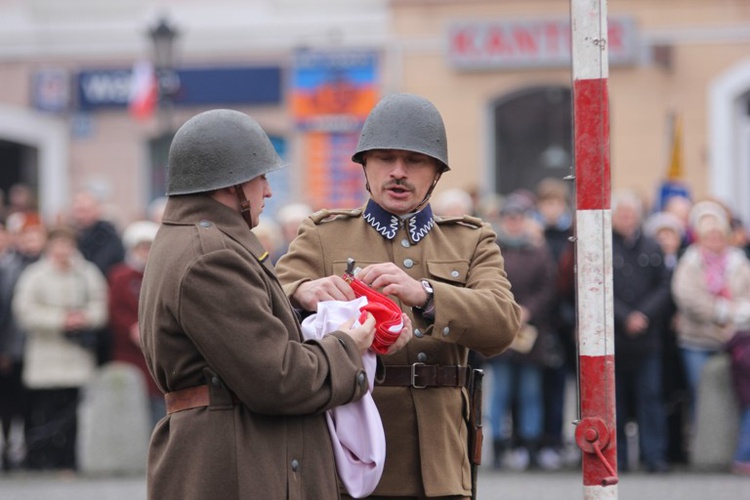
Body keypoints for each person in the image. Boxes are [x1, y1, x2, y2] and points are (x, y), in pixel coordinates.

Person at [138, 109, 410, 500]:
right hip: (235, 464)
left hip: (228, 453)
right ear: (230, 185)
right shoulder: (211, 256)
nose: (267, 190)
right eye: (260, 177)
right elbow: (278, 379)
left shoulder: (196, 242)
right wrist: (349, 344)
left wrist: (298, 307)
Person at [276, 93, 521, 499]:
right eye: (385, 159)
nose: (398, 172)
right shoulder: (323, 235)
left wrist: (427, 295)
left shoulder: (471, 239)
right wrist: (302, 292)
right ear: (365, 167)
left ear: (436, 172)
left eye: (415, 161)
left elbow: (502, 325)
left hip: (439, 461)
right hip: (351, 455)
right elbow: (270, 309)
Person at [12, 225, 108, 471]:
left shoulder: (86, 272)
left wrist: (83, 318)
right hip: (46, 355)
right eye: (58, 244)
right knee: (45, 410)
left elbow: (100, 304)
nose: (62, 250)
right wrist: (59, 320)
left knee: (73, 412)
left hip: (77, 355)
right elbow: (24, 310)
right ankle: (44, 460)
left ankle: (69, 461)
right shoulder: (35, 275)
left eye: (67, 244)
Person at [486, 194, 558, 471]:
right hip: (502, 328)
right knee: (501, 391)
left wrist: (527, 311)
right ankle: (498, 447)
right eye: (510, 218)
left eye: (518, 218)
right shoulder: (493, 249)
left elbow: (547, 288)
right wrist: (508, 310)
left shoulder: (537, 250)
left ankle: (530, 446)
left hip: (530, 332)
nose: (514, 223)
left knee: (530, 392)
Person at [671, 201, 750, 428]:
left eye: (718, 234)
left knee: (736, 393)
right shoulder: (690, 262)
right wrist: (722, 310)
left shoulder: (739, 262)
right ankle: (702, 445)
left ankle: (730, 447)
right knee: (700, 392)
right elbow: (688, 298)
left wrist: (734, 311)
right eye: (709, 235)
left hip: (734, 339)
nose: (714, 239)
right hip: (696, 340)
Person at [610, 190, 673, 473]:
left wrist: (643, 315)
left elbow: (663, 286)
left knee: (650, 399)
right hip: (615, 338)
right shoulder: (603, 244)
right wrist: (625, 317)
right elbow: (596, 285)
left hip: (647, 339)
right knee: (616, 402)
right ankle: (618, 458)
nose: (626, 219)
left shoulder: (652, 245)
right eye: (621, 214)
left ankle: (654, 456)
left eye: (630, 213)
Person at [0, 213, 47, 470]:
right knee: (9, 402)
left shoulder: (45, 266)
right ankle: (8, 450)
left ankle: (32, 451)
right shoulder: (8, 269)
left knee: (32, 403)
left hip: (39, 346)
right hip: (13, 348)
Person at [107, 220, 164, 428]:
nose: (145, 252)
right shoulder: (120, 276)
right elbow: (115, 308)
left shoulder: (161, 274)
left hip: (156, 348)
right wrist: (131, 328)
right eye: (141, 247)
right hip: (128, 350)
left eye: (149, 246)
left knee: (158, 403)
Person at [70, 189, 125, 365]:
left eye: (85, 209)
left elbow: (107, 270)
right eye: (78, 209)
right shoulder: (72, 236)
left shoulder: (109, 238)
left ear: (97, 209)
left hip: (101, 306)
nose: (80, 214)